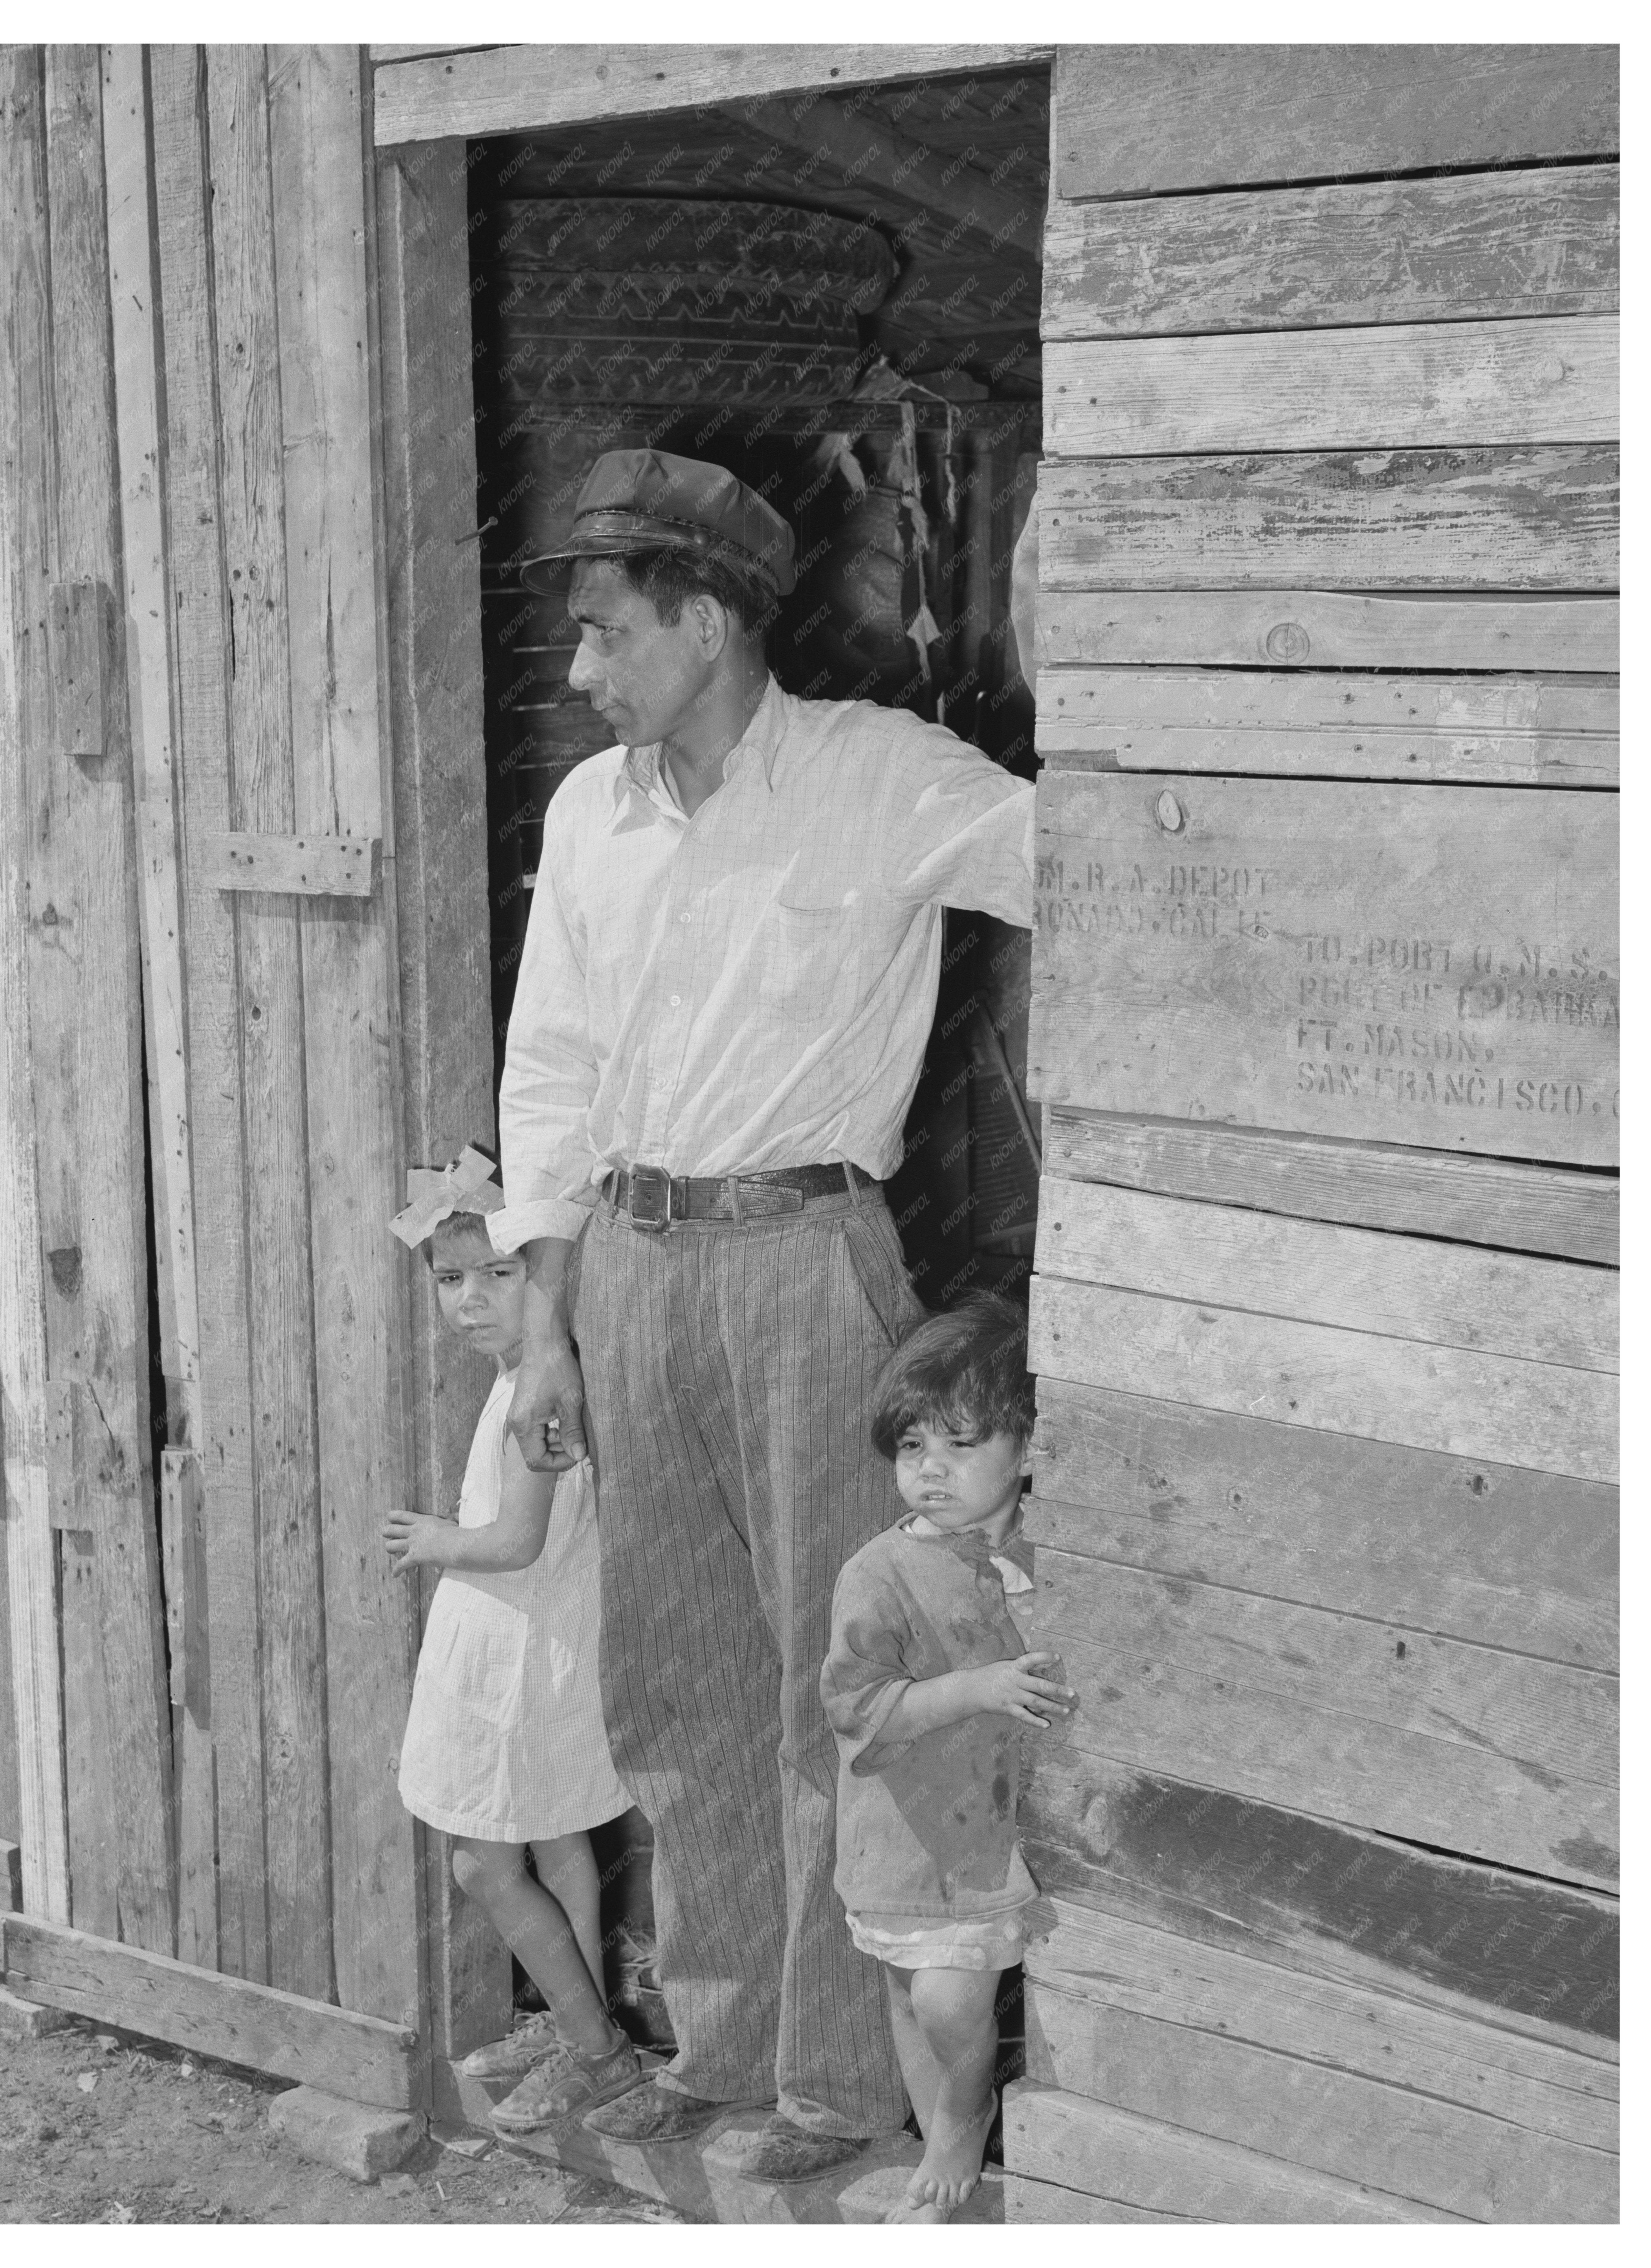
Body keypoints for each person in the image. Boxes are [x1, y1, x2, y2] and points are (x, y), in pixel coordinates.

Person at [487, 447, 1035, 2180]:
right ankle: (716, 2050)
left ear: (706, 619)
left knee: (832, 1681)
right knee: (672, 1684)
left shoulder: (882, 779)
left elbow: (1107, 865)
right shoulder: (592, 816)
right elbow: (550, 1080)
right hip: (630, 1273)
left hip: (811, 1263)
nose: (578, 672)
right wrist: (543, 1322)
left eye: (602, 631)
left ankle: (830, 2088)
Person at [382, 1192, 637, 2140]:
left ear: (548, 1277)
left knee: (483, 1868)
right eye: (451, 1279)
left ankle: (596, 2052)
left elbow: (518, 1539)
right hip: (544, 1643)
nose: (471, 1298)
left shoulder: (537, 1390)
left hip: (517, 1656)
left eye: (500, 1271)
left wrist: (435, 1537)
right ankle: (583, 2019)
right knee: (556, 1838)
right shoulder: (530, 1374)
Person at [821, 1294, 1075, 2223]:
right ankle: (948, 2130)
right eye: (910, 1447)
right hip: (908, 1834)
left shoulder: (1059, 1550)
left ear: (1028, 1449)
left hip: (999, 1841)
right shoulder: (878, 1572)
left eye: (959, 1443)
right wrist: (973, 1688)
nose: (928, 1470)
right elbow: (855, 1707)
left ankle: (957, 2125)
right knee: (915, 1994)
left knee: (944, 1994)